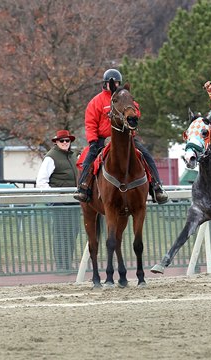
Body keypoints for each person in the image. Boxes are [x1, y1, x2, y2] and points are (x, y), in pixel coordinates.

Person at [73, 68, 168, 204]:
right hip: (103, 139)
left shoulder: (125, 97)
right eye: (112, 83)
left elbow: (136, 112)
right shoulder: (96, 102)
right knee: (89, 157)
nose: (115, 85)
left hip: (127, 137)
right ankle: (83, 187)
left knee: (146, 155)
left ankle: (157, 187)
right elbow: (90, 123)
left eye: (118, 83)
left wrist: (132, 114)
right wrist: (93, 141)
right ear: (105, 84)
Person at [36, 129, 80, 272]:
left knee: (73, 232)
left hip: (73, 201)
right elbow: (41, 182)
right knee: (61, 234)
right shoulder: (50, 157)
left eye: (67, 140)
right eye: (62, 140)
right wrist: (54, 199)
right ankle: (61, 266)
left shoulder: (73, 157)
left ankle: (68, 264)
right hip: (59, 202)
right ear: (56, 142)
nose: (65, 143)